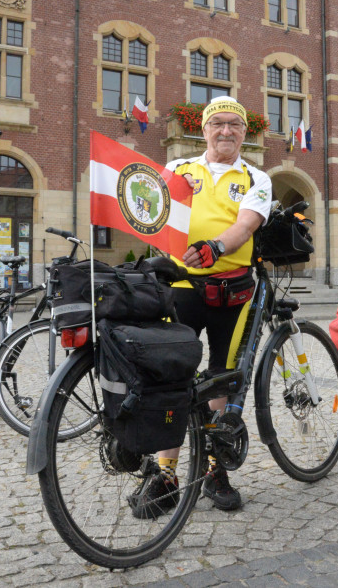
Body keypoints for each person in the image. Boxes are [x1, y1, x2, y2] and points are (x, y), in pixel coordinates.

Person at [129, 96, 272, 518]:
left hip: (232, 292)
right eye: (217, 124)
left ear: (244, 132)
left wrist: (215, 247)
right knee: (172, 378)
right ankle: (165, 473)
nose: (225, 131)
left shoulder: (256, 177)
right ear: (204, 129)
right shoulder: (177, 170)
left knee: (220, 382)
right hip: (180, 287)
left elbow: (246, 225)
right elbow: (150, 214)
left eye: (234, 125)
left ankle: (213, 469)